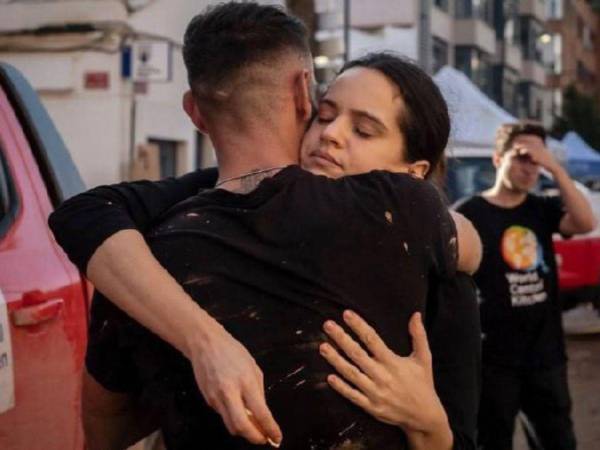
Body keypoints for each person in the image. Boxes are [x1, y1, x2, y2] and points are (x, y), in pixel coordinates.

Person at [49, 3, 481, 449]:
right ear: (304, 95)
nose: (332, 134)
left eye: (365, 131)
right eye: (327, 115)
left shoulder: (140, 257)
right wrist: (204, 346)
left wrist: (430, 424)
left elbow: (107, 421)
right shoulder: (154, 245)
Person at [455, 122, 597, 450]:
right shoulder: (468, 213)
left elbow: (585, 223)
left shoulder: (541, 209)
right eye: (522, 156)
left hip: (545, 357)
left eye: (537, 159)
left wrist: (555, 168)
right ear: (497, 159)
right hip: (492, 360)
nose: (530, 166)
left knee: (558, 441)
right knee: (492, 441)